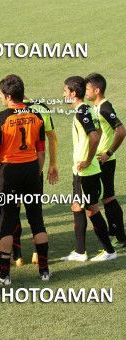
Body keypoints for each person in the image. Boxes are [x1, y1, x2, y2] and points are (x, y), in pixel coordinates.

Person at [0, 75, 49, 285]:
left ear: (9, 96)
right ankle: (44, 271)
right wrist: (37, 172)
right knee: (36, 220)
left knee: (5, 224)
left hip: (9, 173)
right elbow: (41, 151)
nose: (0, 97)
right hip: (31, 169)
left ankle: (4, 276)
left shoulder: (1, 119)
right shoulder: (35, 114)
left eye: (1, 94)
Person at [60, 76, 116, 262]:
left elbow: (94, 136)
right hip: (83, 171)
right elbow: (98, 132)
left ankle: (108, 250)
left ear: (73, 93)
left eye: (65, 91)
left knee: (91, 209)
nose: (63, 94)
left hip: (85, 172)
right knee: (77, 206)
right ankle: (80, 251)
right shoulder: (88, 110)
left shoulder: (81, 112)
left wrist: (87, 159)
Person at [12, 95, 59, 266]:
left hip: (14, 170)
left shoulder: (8, 112)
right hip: (34, 170)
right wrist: (52, 164)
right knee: (35, 213)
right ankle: (36, 254)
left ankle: (17, 256)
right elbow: (52, 137)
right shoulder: (41, 108)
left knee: (13, 212)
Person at [85, 73, 125, 247]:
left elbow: (122, 131)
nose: (85, 92)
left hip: (105, 160)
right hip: (99, 159)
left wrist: (108, 152)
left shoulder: (104, 108)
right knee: (106, 197)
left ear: (97, 90)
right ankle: (116, 232)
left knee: (108, 198)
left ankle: (120, 236)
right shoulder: (97, 107)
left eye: (87, 89)